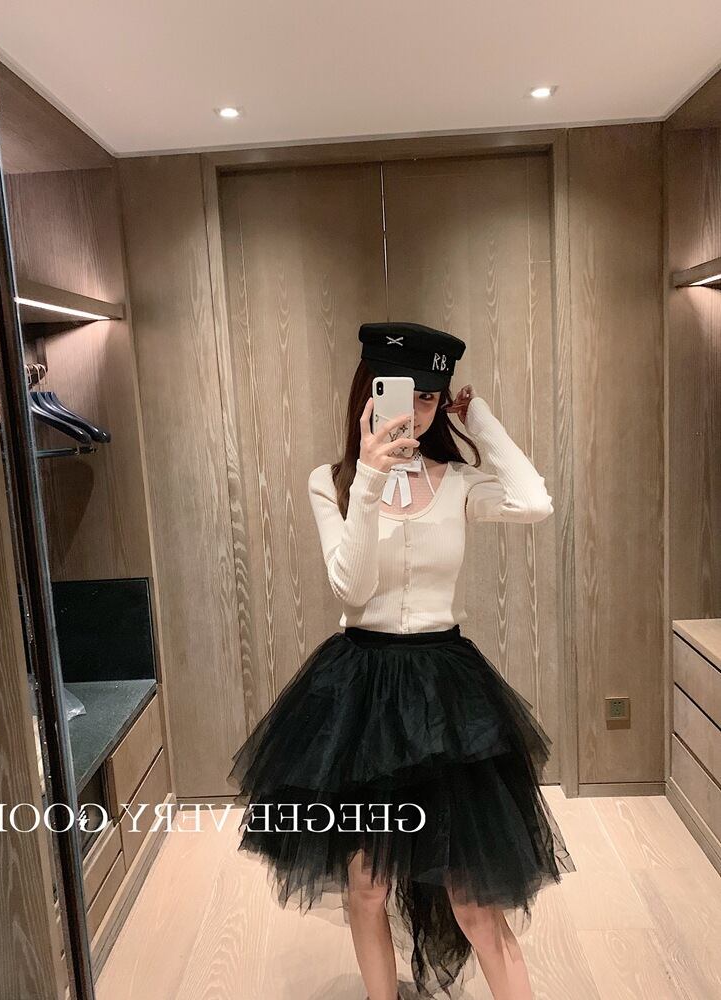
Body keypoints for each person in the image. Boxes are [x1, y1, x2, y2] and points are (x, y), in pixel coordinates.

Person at [227, 321, 576, 1000]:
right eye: (401, 393)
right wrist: (369, 479)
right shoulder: (331, 482)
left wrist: (480, 419)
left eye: (429, 397)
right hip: (359, 690)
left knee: (473, 899)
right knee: (367, 886)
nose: (414, 411)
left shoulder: (459, 482)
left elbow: (534, 503)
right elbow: (351, 587)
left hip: (446, 691)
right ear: (368, 392)